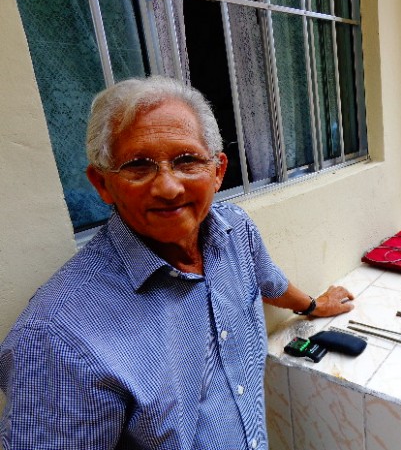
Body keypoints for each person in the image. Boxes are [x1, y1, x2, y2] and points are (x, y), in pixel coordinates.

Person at [0, 76, 354, 449]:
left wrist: (314, 306)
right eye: (139, 165)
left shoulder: (235, 231)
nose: (168, 188)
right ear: (103, 184)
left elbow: (268, 281)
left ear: (217, 171)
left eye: (186, 160)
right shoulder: (57, 340)